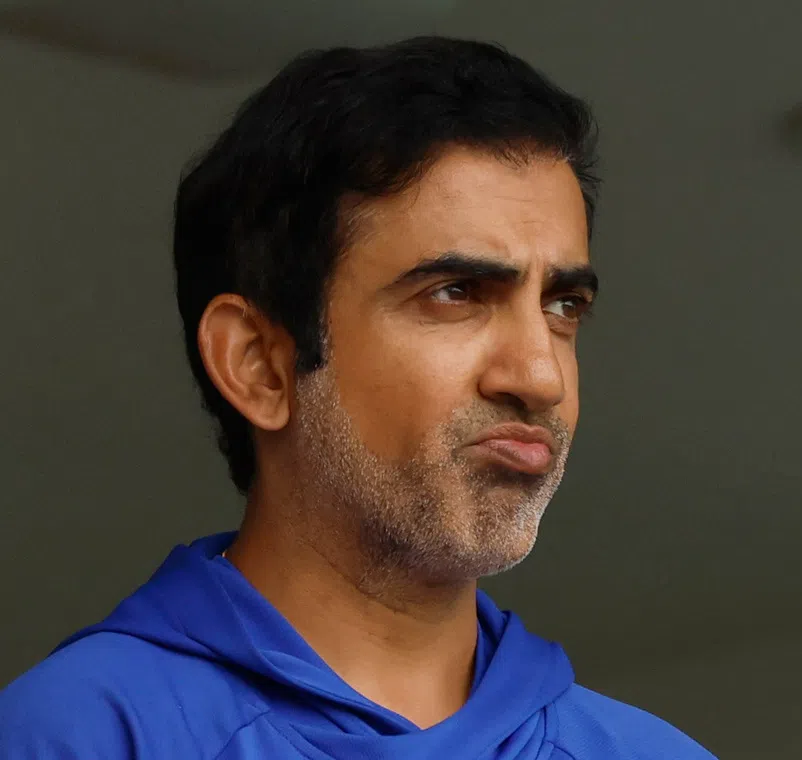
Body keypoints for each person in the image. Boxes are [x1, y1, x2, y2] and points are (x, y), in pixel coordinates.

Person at [0, 36, 716, 759]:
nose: (540, 377)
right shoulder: (80, 734)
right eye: (456, 293)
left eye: (562, 307)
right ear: (259, 365)